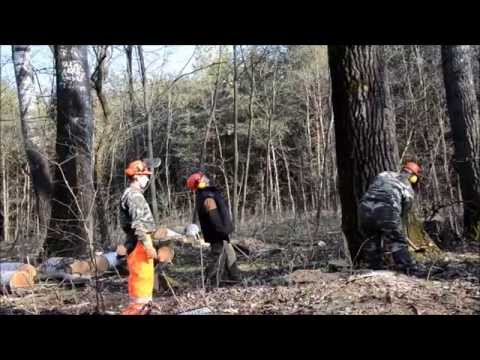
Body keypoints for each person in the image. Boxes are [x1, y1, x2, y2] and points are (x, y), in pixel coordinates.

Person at [358, 161, 423, 274]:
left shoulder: (384, 174)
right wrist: (400, 232)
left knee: (372, 240)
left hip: (364, 210)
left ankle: (374, 268)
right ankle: (407, 269)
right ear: (413, 177)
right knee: (397, 241)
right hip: (387, 212)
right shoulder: (408, 188)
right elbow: (402, 214)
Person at [186, 172, 242, 286]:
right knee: (218, 257)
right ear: (199, 183)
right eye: (203, 178)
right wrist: (221, 232)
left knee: (230, 255)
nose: (206, 179)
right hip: (217, 233)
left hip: (220, 232)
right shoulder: (207, 197)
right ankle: (211, 281)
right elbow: (214, 217)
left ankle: (235, 279)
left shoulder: (207, 194)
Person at [119, 159, 159, 315]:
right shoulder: (134, 196)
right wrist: (147, 245)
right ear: (136, 176)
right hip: (139, 243)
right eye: (144, 175)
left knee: (143, 284)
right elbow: (138, 224)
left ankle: (143, 311)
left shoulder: (132, 194)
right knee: (140, 289)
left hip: (139, 242)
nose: (147, 179)